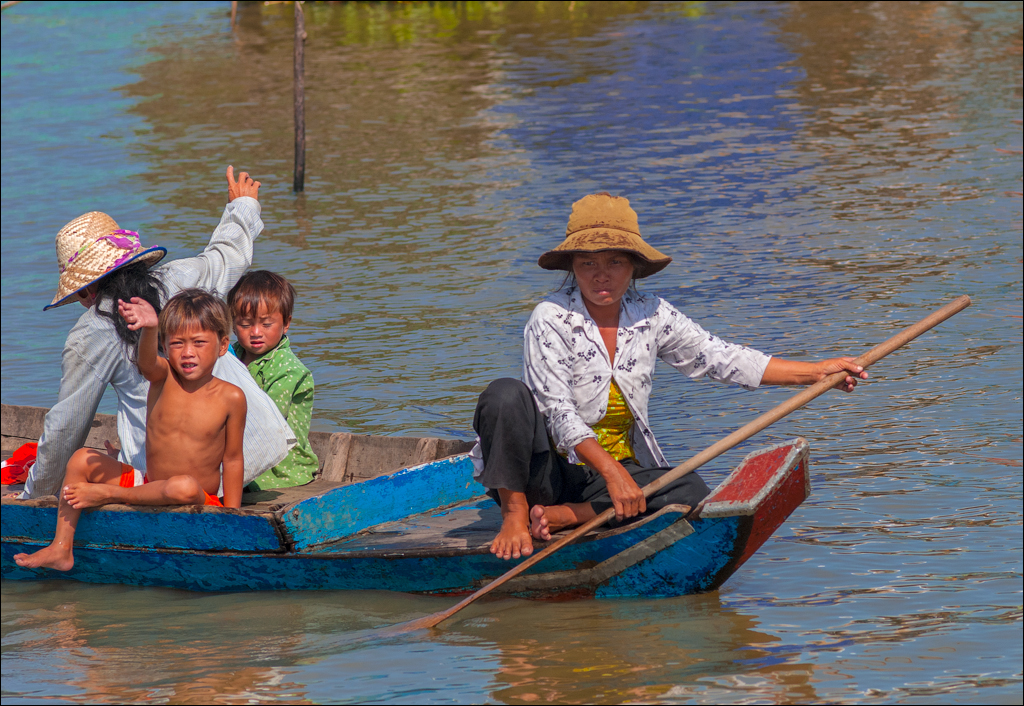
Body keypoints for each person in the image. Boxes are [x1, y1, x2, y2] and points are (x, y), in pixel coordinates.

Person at [473, 193, 868, 561]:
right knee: (504, 394)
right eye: (588, 263)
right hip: (544, 470)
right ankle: (516, 514)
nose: (601, 275)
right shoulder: (550, 317)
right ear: (573, 267)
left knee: (690, 492)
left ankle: (571, 514)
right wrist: (614, 475)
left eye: (615, 262)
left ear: (634, 266)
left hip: (607, 475)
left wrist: (816, 372)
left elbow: (719, 357)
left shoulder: (651, 313)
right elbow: (559, 415)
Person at [15, 166, 294, 501]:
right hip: (254, 448)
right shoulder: (178, 276)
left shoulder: (92, 331)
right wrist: (242, 206)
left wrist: (33, 496)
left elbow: (66, 427)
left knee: (86, 462)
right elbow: (227, 256)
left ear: (87, 292)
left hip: (169, 481)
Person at [13, 290, 247, 572]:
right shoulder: (164, 377)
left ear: (222, 345)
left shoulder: (231, 397)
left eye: (199, 343)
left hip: (196, 496)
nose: (188, 353)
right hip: (147, 484)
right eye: (176, 343)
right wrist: (149, 328)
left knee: (182, 485)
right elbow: (146, 362)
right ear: (164, 344)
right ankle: (61, 547)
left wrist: (234, 517)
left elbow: (233, 459)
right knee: (80, 459)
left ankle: (106, 495)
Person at [227, 270, 318, 490]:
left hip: (282, 468)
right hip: (240, 449)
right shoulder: (229, 357)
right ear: (232, 324)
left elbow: (262, 425)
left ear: (286, 324)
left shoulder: (289, 371)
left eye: (266, 324)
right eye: (246, 324)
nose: (256, 332)